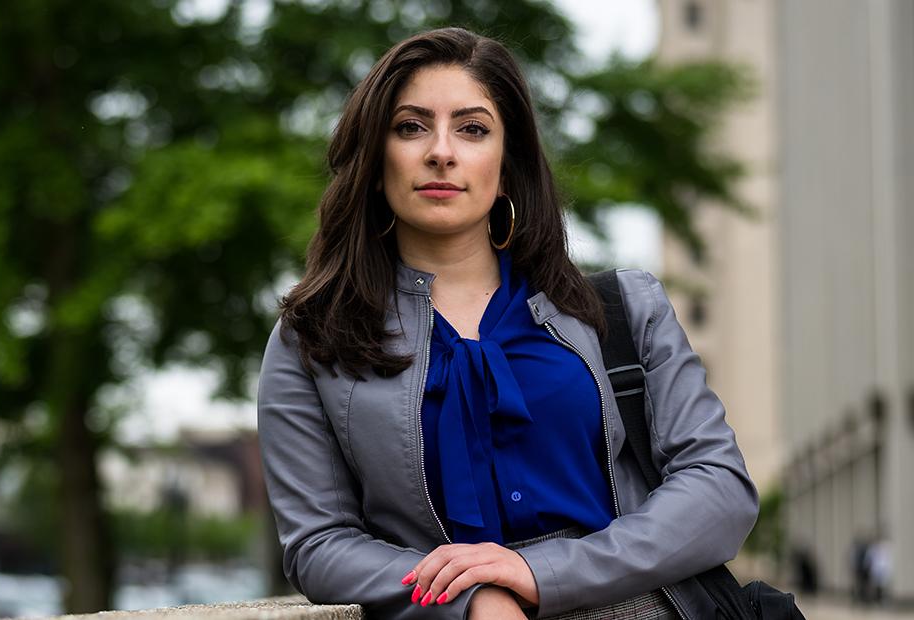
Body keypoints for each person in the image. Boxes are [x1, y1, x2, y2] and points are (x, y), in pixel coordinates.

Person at [256, 27, 759, 619]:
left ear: (507, 159)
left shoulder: (624, 307)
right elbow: (318, 545)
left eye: (472, 129)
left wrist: (535, 573)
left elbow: (719, 490)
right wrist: (469, 597)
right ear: (374, 158)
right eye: (410, 127)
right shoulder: (311, 337)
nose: (441, 151)